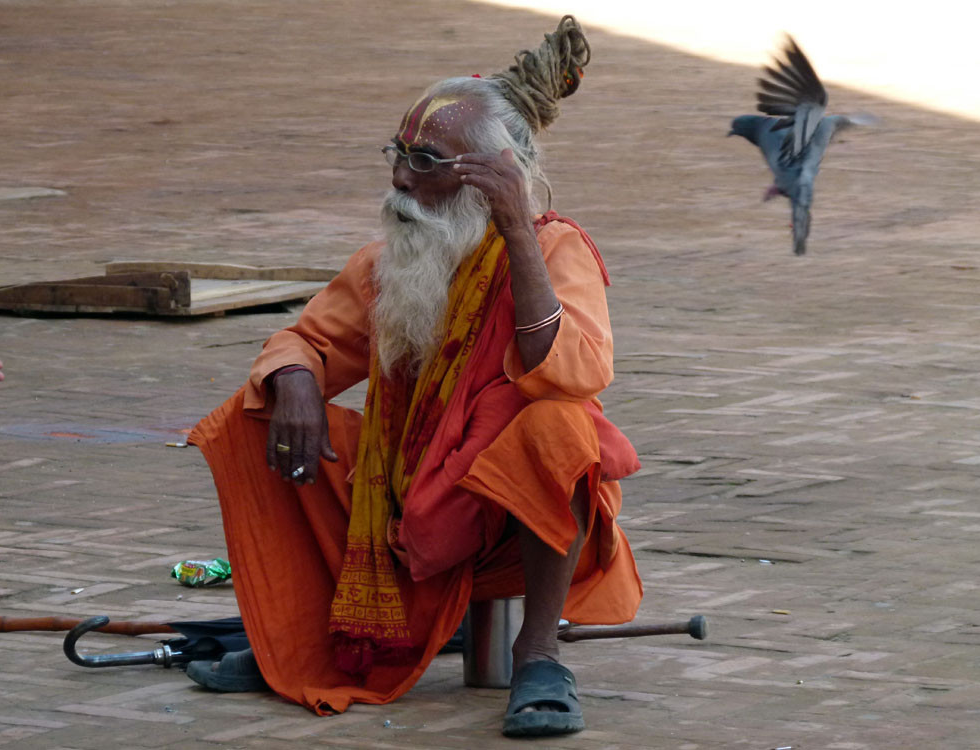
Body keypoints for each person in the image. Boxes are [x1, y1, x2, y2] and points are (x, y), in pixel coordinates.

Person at [187, 15, 642, 738]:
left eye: (426, 161)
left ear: (494, 175)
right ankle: (301, 636)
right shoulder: (390, 260)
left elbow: (580, 372)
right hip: (410, 505)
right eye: (399, 154)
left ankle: (539, 656)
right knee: (255, 417)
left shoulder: (555, 248)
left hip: (508, 523)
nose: (401, 178)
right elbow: (302, 341)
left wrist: (517, 231)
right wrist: (297, 381)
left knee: (560, 425)